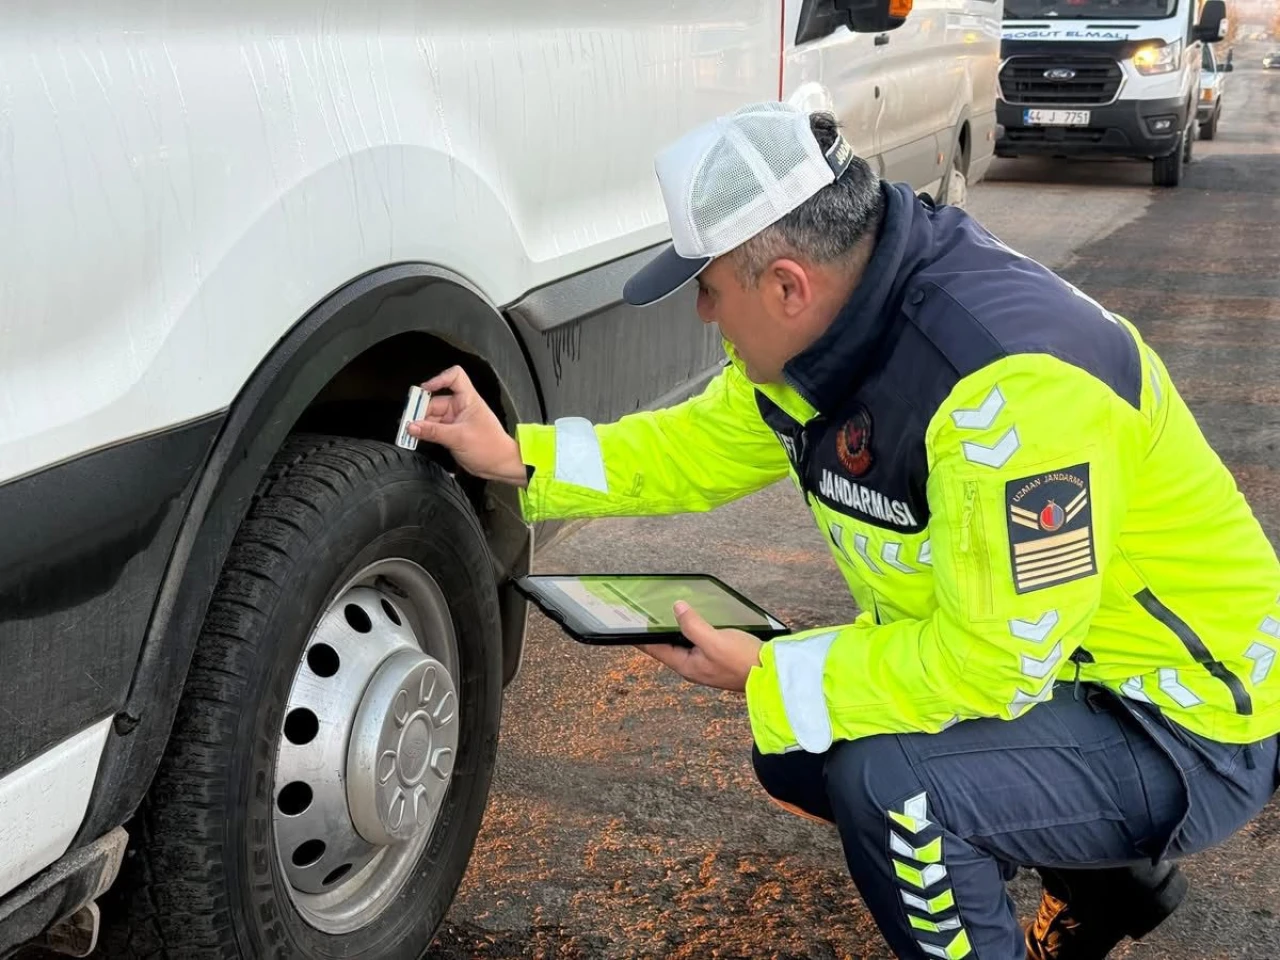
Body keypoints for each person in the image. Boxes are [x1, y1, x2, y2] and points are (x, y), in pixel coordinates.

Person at [408, 102, 1280, 959]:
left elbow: (994, 663)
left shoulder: (1010, 396)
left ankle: (1078, 867)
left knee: (897, 789)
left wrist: (766, 668)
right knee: (796, 744)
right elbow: (693, 447)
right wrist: (517, 455)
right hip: (1059, 672)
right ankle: (1106, 878)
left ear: (787, 285)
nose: (705, 315)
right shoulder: (826, 333)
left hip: (1179, 716)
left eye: (708, 290)